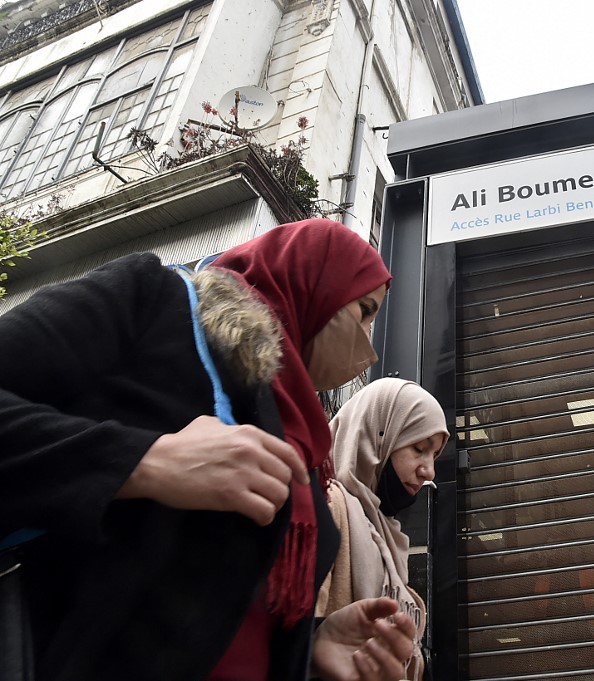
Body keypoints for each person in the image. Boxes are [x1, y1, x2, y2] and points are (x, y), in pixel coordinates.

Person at [0, 219, 416, 681]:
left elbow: (214, 613)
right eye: (364, 310)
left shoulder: (307, 447)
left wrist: (313, 649)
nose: (369, 343)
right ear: (314, 279)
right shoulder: (153, 299)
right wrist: (144, 461)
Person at [316, 378, 449, 681]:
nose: (429, 471)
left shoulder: (390, 539)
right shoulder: (327, 506)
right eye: (419, 448)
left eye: (435, 456)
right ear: (376, 437)